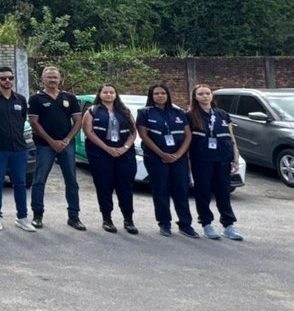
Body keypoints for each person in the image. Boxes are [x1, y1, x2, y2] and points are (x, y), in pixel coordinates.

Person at [136, 83, 197, 238]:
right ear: (151, 96)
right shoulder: (144, 112)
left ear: (168, 95)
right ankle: (164, 223)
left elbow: (188, 135)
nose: (160, 96)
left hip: (179, 158)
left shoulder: (179, 113)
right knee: (160, 190)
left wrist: (178, 154)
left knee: (181, 190)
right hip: (156, 158)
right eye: (156, 93)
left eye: (163, 93)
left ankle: (185, 224)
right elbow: (143, 135)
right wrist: (162, 153)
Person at [28, 66, 85, 231]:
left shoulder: (69, 98)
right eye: (49, 77)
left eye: (55, 77)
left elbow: (78, 121)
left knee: (72, 182)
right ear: (42, 79)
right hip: (45, 145)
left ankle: (74, 217)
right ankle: (37, 215)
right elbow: (34, 123)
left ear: (60, 79)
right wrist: (51, 141)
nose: (52, 80)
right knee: (39, 181)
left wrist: (67, 140)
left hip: (67, 145)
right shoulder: (36, 99)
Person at [0, 67, 35, 232]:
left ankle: (22, 218)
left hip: (19, 148)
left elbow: (22, 119)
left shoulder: (21, 100)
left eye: (10, 78)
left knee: (20, 183)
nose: (7, 81)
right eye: (3, 78)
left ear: (13, 80)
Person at [187, 84, 243, 241]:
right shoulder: (190, 115)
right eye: (201, 94)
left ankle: (228, 225)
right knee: (203, 192)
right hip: (202, 160)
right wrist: (189, 164)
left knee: (224, 193)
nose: (205, 96)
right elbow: (188, 140)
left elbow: (231, 138)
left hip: (222, 159)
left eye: (207, 93)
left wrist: (235, 157)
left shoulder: (222, 114)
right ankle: (206, 224)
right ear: (195, 97)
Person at [80, 84, 138, 234]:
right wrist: (107, 148)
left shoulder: (125, 111)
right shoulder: (92, 111)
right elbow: (89, 132)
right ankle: (107, 219)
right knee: (104, 186)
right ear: (99, 95)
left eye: (111, 92)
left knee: (125, 187)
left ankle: (128, 220)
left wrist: (124, 148)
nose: (108, 95)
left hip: (124, 154)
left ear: (116, 94)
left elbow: (133, 132)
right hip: (101, 154)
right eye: (105, 92)